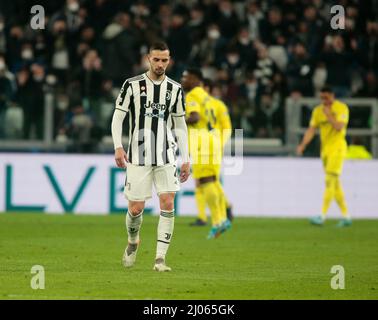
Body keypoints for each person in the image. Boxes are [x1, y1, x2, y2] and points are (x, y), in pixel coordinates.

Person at [111, 41, 190, 272]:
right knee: (136, 208)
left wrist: (186, 157)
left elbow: (181, 125)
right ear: (148, 59)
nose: (160, 64)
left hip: (166, 155)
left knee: (167, 202)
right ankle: (133, 242)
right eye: (156, 59)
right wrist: (118, 146)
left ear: (169, 60)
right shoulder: (132, 85)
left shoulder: (175, 89)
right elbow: (118, 118)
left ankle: (160, 259)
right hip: (138, 156)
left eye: (164, 60)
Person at [181, 68, 231, 239]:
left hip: (201, 141)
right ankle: (222, 219)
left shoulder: (192, 95)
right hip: (212, 140)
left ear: (195, 79)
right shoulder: (209, 98)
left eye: (186, 77)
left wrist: (176, 121)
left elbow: (194, 117)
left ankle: (217, 222)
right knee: (213, 181)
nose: (183, 80)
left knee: (204, 182)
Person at [296, 86, 351, 227]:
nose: (324, 101)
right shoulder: (317, 111)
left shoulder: (341, 108)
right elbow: (311, 129)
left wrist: (329, 115)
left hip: (338, 148)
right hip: (325, 150)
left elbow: (339, 127)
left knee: (329, 180)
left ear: (332, 96)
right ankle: (346, 216)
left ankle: (322, 215)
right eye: (322, 98)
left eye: (326, 98)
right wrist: (303, 145)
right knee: (335, 183)